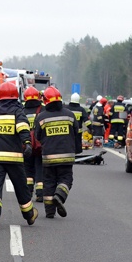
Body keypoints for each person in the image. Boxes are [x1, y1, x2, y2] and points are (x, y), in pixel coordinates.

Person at [0, 81, 39, 230]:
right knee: (21, 187)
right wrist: (27, 143)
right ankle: (29, 215)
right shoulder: (17, 111)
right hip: (14, 158)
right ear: (15, 96)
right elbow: (23, 127)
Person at [34, 86, 81, 219]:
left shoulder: (41, 117)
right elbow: (76, 132)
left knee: (48, 182)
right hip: (66, 156)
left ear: (46, 101)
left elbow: (37, 136)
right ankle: (59, 195)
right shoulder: (70, 115)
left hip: (48, 157)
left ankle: (49, 212)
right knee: (66, 179)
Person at [22, 86, 45, 202]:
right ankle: (40, 193)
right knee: (40, 168)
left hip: (26, 145)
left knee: (28, 169)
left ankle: (29, 192)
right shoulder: (42, 110)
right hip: (40, 145)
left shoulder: (22, 111)